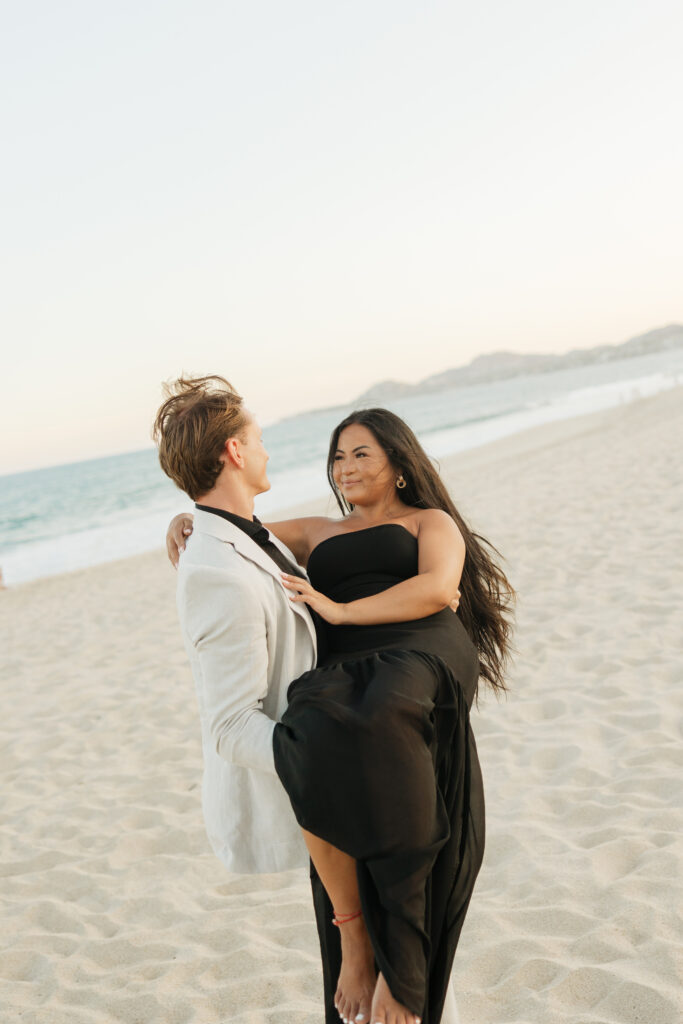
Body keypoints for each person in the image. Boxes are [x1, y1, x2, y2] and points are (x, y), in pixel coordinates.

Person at [164, 385, 514, 1024]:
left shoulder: (428, 523)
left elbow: (438, 588)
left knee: (373, 722)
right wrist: (185, 518)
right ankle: (368, 952)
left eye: (361, 454)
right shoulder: (317, 530)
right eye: (337, 457)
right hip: (351, 672)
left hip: (416, 652)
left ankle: (399, 970)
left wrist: (342, 610)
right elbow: (240, 532)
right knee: (324, 725)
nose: (345, 468)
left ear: (401, 462)